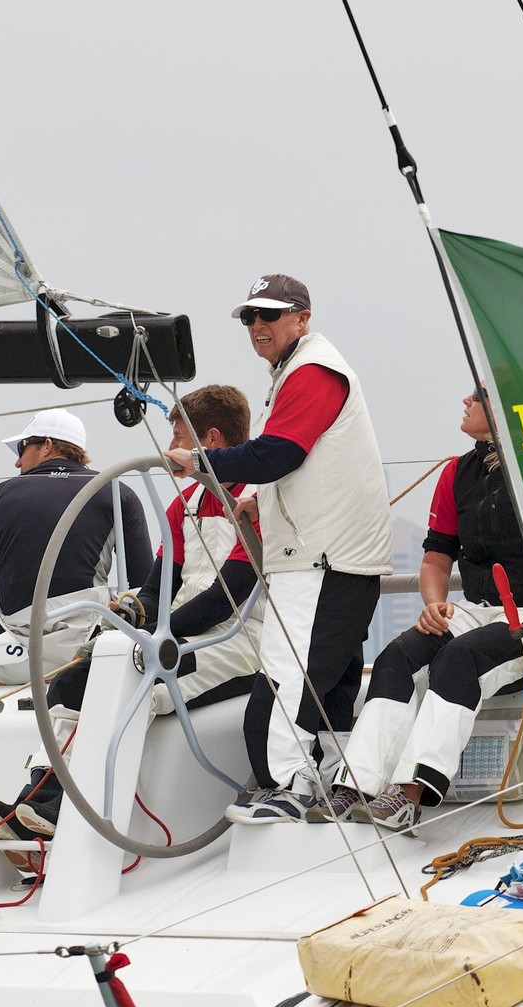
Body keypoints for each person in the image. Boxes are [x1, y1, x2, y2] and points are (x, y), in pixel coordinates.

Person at [0, 386, 265, 851]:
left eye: (177, 436)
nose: (168, 451)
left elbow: (225, 601)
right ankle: (36, 801)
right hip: (178, 639)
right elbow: (157, 586)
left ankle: (61, 811)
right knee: (70, 683)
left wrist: (142, 636)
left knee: (129, 686)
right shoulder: (181, 507)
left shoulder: (257, 504)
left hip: (234, 644)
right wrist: (130, 618)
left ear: (211, 439)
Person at [308, 385, 523, 830]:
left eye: (477, 396)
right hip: (477, 609)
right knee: (397, 656)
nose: (464, 400)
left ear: (506, 410)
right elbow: (436, 558)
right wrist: (434, 604)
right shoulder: (457, 474)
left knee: (460, 659)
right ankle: (355, 786)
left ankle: (408, 796)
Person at [166, 273, 393, 823]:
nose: (258, 325)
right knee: (331, 674)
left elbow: (280, 453)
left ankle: (290, 789)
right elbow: (297, 458)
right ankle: (335, 785)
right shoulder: (298, 371)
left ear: (302, 317)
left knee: (290, 672)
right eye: (249, 317)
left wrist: (200, 463)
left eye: (269, 314)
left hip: (321, 556)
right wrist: (260, 500)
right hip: (331, 554)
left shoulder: (313, 370)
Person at [0, 408, 153, 682]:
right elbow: (144, 586)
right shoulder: (117, 492)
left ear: (47, 445)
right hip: (87, 657)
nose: (17, 463)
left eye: (21, 449)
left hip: (13, 662)